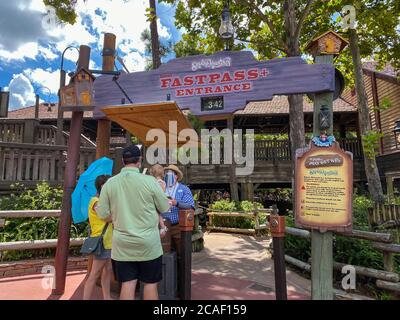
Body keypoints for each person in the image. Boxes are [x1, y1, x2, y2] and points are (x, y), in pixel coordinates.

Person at [97, 145, 170, 300]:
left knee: (128, 283)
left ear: (123, 161)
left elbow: (102, 214)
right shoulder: (150, 182)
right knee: (150, 284)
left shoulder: (110, 183)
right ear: (140, 161)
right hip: (149, 243)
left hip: (122, 244)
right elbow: (164, 207)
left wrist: (118, 216)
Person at [83, 174, 113, 300]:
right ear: (103, 186)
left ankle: (107, 297)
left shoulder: (103, 201)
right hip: (102, 241)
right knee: (94, 274)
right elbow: (106, 216)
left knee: (107, 270)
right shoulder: (95, 201)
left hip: (109, 241)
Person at [162, 165, 195, 253]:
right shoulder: (160, 188)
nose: (167, 176)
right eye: (166, 174)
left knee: (181, 252)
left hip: (178, 226)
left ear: (176, 176)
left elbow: (190, 205)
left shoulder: (183, 189)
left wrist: (176, 203)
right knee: (165, 253)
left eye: (171, 174)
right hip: (163, 226)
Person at [149, 164, 168, 238]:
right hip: (159, 201)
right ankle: (163, 227)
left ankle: (162, 227)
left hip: (153, 200)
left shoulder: (152, 181)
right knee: (159, 213)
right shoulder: (163, 183)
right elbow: (162, 195)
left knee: (158, 213)